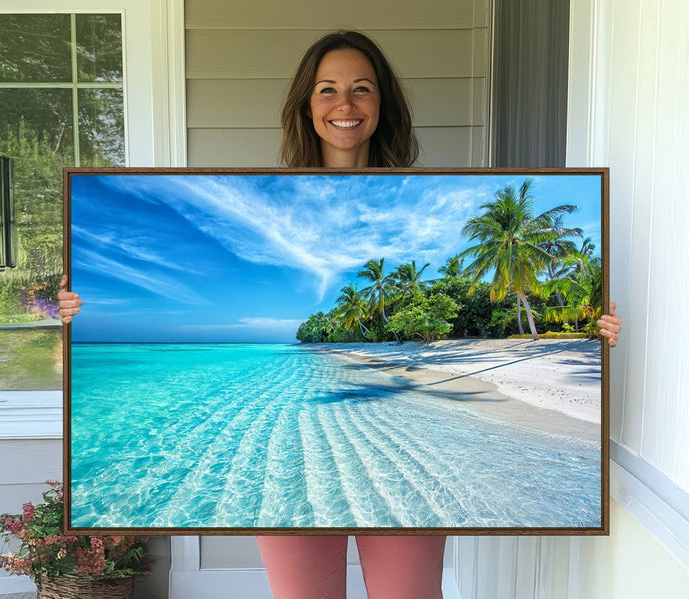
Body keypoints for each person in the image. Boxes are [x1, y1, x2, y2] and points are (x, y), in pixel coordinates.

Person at [58, 30, 622, 599]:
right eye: (327, 90)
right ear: (307, 104)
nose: (345, 105)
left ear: (382, 105)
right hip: (290, 446)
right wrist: (76, 308)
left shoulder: (430, 194)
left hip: (406, 448)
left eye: (362, 89)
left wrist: (594, 331)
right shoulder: (270, 194)